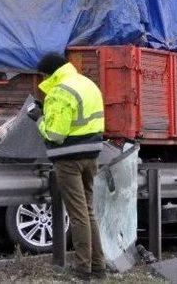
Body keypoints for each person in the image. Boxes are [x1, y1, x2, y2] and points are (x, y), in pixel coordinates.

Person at [27, 52, 106, 281]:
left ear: (48, 73)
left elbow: (55, 135)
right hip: (92, 155)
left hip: (68, 159)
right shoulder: (87, 83)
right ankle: (98, 267)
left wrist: (39, 118)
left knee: (78, 215)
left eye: (43, 74)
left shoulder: (59, 91)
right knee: (88, 213)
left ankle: (83, 270)